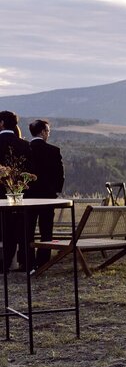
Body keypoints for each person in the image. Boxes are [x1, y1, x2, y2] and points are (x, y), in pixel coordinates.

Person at [26, 119, 64, 269]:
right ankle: (44, 261)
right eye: (48, 131)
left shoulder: (26, 149)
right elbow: (60, 174)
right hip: (48, 196)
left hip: (28, 197)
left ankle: (28, 262)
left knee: (28, 230)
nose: (48, 134)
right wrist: (55, 191)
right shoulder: (54, 150)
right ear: (42, 132)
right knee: (46, 230)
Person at [0, 110, 32, 272]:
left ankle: (3, 264)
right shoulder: (25, 145)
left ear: (1, 123)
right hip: (20, 195)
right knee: (21, 229)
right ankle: (24, 262)